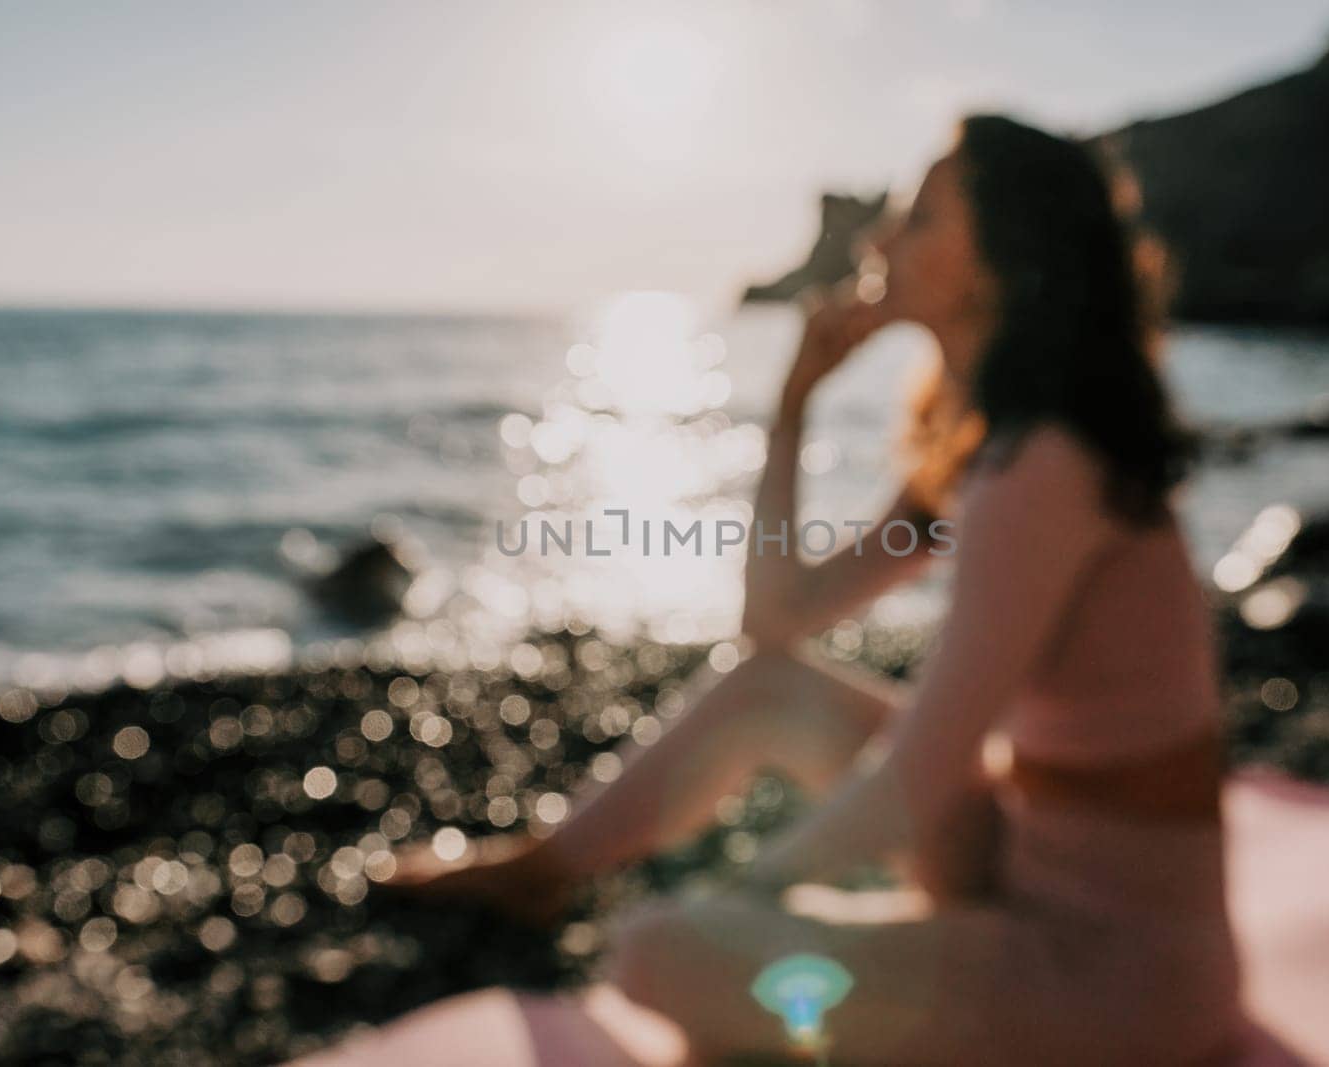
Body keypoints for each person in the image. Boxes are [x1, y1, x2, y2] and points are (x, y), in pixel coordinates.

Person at [384, 114, 1243, 1065]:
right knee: (770, 691)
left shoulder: (1045, 460)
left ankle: (663, 916)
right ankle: (542, 871)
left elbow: (918, 777)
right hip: (1011, 853)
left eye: (917, 218)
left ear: (999, 256)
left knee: (652, 952)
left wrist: (749, 891)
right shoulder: (990, 446)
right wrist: (796, 400)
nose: (878, 241)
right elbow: (777, 619)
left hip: (1118, 975)